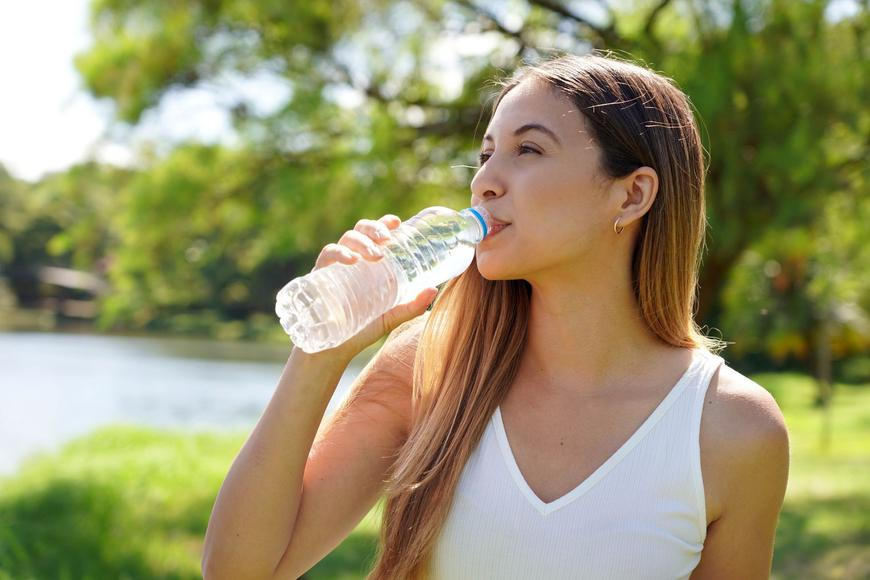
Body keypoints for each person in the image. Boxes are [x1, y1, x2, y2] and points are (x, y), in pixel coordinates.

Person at [201, 52, 790, 580]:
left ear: (632, 195)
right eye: (485, 155)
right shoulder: (429, 370)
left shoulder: (732, 429)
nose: (483, 181)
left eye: (527, 150)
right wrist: (322, 351)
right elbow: (239, 571)